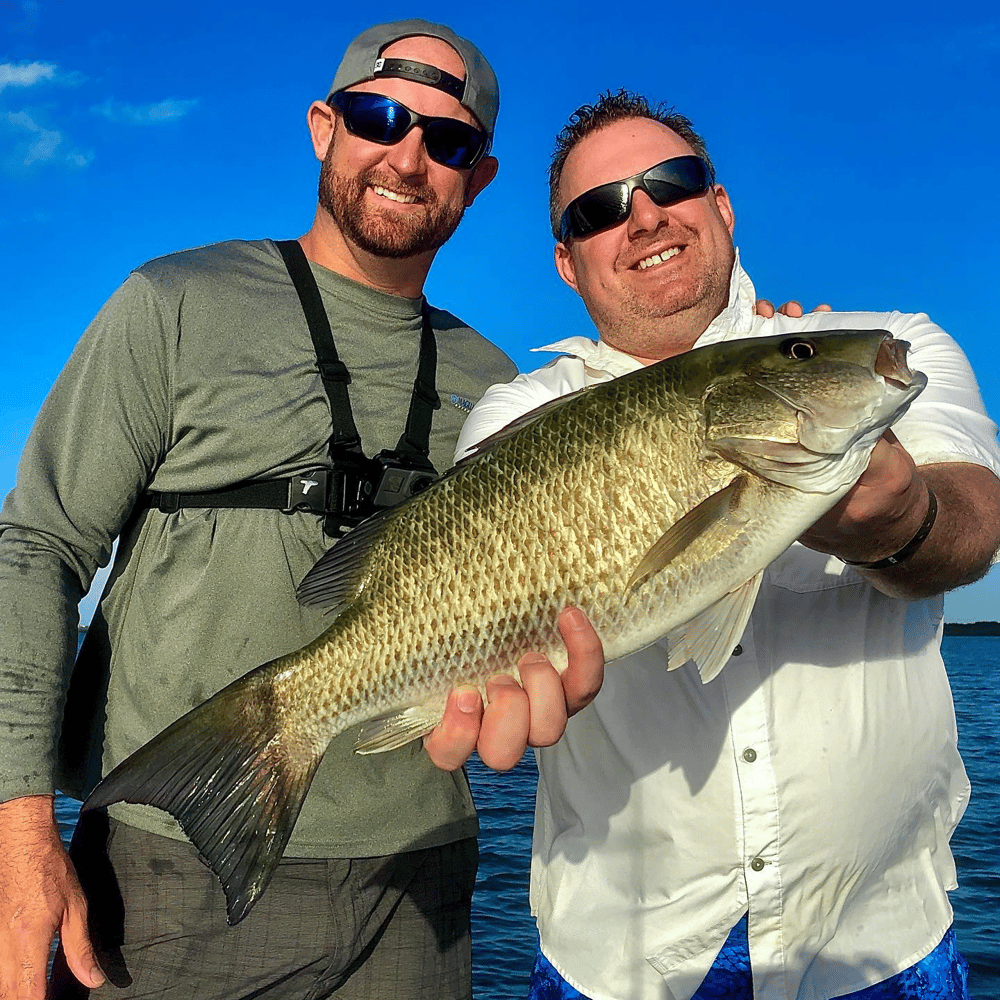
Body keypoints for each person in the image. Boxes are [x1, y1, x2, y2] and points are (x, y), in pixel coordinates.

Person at [0, 19, 605, 999]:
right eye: (380, 117)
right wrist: (21, 835)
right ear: (325, 126)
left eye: (446, 140)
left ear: (478, 177)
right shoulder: (172, 304)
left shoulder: (500, 385)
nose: (408, 156)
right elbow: (34, 549)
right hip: (165, 876)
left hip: (421, 884)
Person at [454, 91, 1000, 1000]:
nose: (644, 215)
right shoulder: (520, 418)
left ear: (721, 205)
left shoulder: (874, 346)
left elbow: (976, 523)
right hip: (620, 964)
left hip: (876, 946)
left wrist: (905, 522)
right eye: (599, 210)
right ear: (566, 262)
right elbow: (471, 590)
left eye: (672, 181)